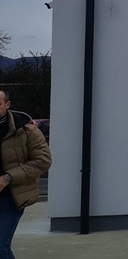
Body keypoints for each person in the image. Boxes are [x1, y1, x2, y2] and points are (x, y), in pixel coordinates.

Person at [0, 88, 52, 259]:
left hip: (11, 197)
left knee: (1, 247)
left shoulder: (26, 130)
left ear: (7, 105)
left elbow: (43, 160)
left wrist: (8, 178)